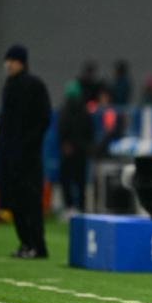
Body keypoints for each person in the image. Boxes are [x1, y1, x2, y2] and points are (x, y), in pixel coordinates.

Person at [0, 45, 51, 259]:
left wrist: (27, 144)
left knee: (30, 202)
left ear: (22, 62)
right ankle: (25, 243)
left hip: (28, 158)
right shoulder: (9, 86)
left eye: (12, 60)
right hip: (9, 157)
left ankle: (38, 245)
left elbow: (43, 119)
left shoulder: (34, 86)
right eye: (7, 60)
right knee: (14, 201)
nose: (8, 64)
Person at [57, 80, 94, 216]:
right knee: (81, 181)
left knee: (66, 180)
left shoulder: (65, 110)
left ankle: (69, 207)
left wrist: (64, 143)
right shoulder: (85, 111)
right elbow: (90, 132)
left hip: (69, 151)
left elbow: (61, 129)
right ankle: (81, 207)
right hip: (82, 151)